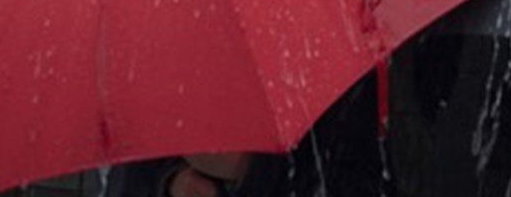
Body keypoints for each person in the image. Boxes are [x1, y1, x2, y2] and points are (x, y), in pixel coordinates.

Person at [106, 75, 385, 197]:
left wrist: (251, 172)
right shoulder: (159, 49)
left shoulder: (326, 44)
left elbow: (357, 177)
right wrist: (172, 182)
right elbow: (128, 177)